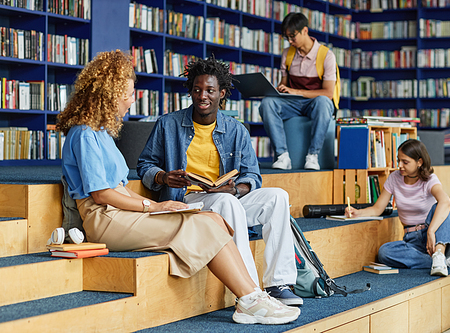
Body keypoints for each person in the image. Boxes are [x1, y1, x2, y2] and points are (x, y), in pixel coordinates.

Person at [56, 50, 300, 325]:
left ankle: (253, 296)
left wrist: (154, 209)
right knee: (205, 223)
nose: (132, 99)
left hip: (120, 212)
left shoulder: (99, 132)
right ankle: (249, 299)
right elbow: (101, 194)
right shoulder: (84, 133)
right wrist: (154, 204)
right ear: (110, 93)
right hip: (104, 219)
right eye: (128, 93)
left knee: (212, 218)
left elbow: (118, 189)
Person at [136, 56, 302, 306]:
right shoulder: (167, 124)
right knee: (226, 201)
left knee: (278, 196)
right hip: (187, 201)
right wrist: (163, 176)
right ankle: (250, 292)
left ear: (221, 93)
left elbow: (253, 176)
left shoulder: (236, 130)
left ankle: (279, 283)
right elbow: (144, 165)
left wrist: (236, 188)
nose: (203, 96)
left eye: (210, 90)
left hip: (226, 198)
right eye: (197, 89)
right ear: (191, 91)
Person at [345, 139, 450, 277]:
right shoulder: (394, 178)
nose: (399, 166)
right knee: (384, 253)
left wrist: (431, 231)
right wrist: (357, 213)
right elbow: (377, 209)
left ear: (419, 162)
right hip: (411, 240)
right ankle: (444, 262)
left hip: (434, 236)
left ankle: (439, 254)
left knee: (442, 207)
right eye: (399, 160)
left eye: (405, 162)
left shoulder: (429, 179)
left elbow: (446, 201)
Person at [259, 12, 338, 170]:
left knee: (323, 102)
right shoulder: (287, 54)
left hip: (315, 103)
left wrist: (295, 91)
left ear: (305, 31)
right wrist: (273, 90)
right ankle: (282, 156)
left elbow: (328, 93)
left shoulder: (326, 56)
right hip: (292, 103)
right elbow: (284, 84)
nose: (289, 41)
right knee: (267, 103)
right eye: (286, 37)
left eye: (292, 36)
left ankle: (313, 156)